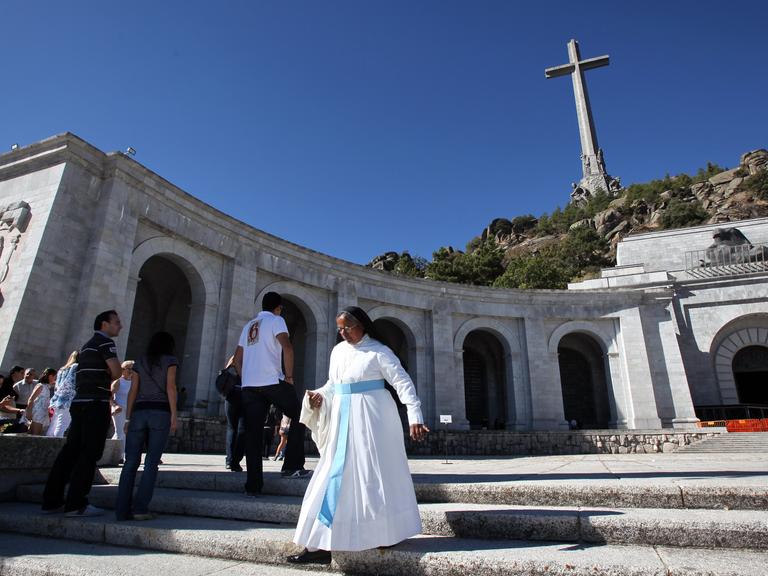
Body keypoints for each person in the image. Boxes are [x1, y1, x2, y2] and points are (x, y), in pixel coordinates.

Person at [288, 306, 429, 565]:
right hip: (342, 419)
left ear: (362, 324)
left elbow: (402, 382)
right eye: (339, 329)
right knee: (332, 474)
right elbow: (334, 384)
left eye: (347, 327)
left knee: (374, 474)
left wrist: (415, 415)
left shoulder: (379, 351)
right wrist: (320, 395)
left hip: (373, 420)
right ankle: (319, 543)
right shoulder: (338, 351)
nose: (343, 333)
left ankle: (386, 532)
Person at [41, 310, 123, 516]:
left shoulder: (86, 346)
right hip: (96, 403)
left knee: (71, 451)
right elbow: (117, 372)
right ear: (104, 324)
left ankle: (51, 501)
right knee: (90, 452)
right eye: (116, 322)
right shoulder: (106, 343)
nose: (120, 326)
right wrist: (110, 371)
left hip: (79, 403)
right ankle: (76, 503)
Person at [232, 291, 309, 496]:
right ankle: (292, 466)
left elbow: (236, 359)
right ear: (278, 307)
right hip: (272, 381)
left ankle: (253, 486)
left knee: (253, 433)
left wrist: (246, 377)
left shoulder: (249, 326)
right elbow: (287, 347)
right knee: (300, 414)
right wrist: (289, 377)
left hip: (249, 386)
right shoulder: (276, 320)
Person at [115, 331, 178, 521]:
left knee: (130, 462)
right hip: (160, 413)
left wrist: (128, 418)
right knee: (151, 462)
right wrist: (174, 414)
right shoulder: (170, 361)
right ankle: (140, 509)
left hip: (139, 413)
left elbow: (133, 390)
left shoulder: (140, 362)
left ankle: (121, 510)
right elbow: (170, 387)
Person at [47, 351, 79, 438]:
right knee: (61, 426)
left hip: (57, 399)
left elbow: (56, 386)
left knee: (53, 425)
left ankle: (48, 442)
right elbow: (72, 383)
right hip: (68, 400)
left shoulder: (62, 369)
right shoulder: (76, 367)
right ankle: (56, 444)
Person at [223, 356, 245, 472]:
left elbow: (225, 372)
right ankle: (235, 461)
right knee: (242, 429)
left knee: (231, 428)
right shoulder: (254, 358)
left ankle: (229, 460)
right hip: (246, 394)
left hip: (231, 395)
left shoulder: (235, 356)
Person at [110, 360, 135, 461]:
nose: (131, 371)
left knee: (124, 433)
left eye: (133, 369)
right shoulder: (118, 381)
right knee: (120, 432)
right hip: (119, 410)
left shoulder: (134, 383)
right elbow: (109, 396)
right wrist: (115, 406)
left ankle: (113, 453)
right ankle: (121, 456)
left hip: (130, 411)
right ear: (123, 369)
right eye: (129, 369)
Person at [25, 367, 56, 435]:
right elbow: (31, 399)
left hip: (42, 413)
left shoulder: (47, 386)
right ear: (50, 376)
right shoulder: (41, 386)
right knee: (35, 434)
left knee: (35, 434)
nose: (55, 379)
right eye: (55, 377)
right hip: (37, 413)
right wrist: (29, 412)